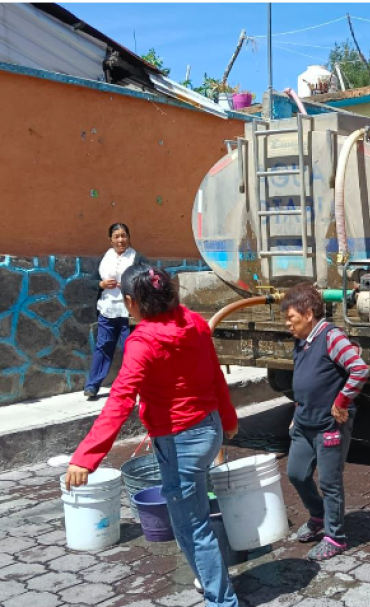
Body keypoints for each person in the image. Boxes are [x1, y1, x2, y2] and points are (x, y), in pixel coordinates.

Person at [65, 264, 240, 607]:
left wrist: (86, 457)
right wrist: (230, 418)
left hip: (181, 442)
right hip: (210, 429)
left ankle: (223, 601)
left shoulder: (142, 343)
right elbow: (214, 375)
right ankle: (210, 582)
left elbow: (119, 402)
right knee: (190, 518)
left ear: (132, 302)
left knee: (193, 527)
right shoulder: (194, 322)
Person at [282, 283, 369, 561]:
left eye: (291, 318)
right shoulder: (301, 341)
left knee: (330, 482)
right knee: (296, 473)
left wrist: (341, 401)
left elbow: (359, 369)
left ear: (309, 314)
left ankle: (336, 537)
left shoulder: (331, 337)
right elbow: (304, 383)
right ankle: (318, 515)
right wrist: (297, 413)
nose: (288, 325)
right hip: (304, 423)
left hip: (330, 425)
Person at [84, 223, 147, 400]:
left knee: (131, 349)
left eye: (124, 236)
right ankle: (92, 385)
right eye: (117, 236)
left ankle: (135, 387)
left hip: (130, 313)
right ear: (110, 239)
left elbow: (150, 278)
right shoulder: (104, 259)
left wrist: (133, 286)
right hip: (107, 310)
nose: (121, 240)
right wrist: (101, 284)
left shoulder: (137, 258)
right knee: (103, 347)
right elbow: (90, 282)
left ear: (129, 237)